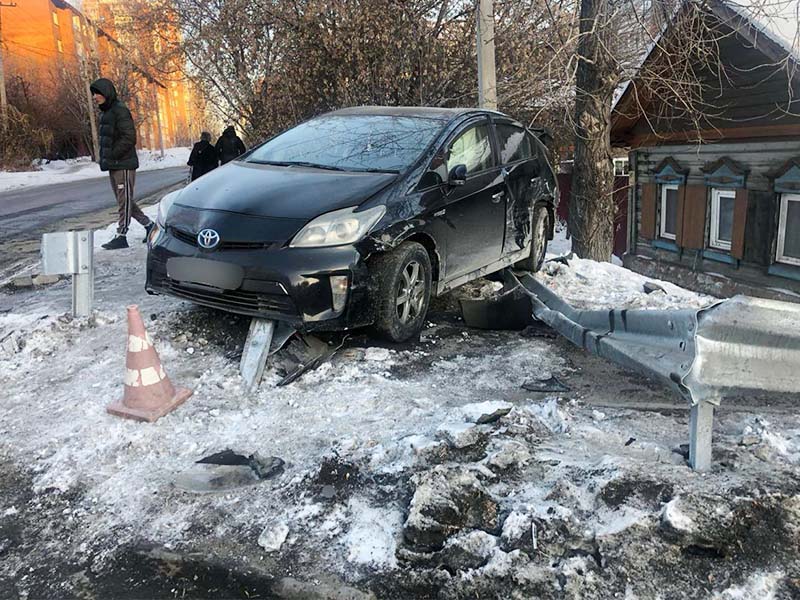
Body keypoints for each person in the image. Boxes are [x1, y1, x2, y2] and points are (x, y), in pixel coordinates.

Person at [89, 78, 154, 250]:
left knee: (124, 200)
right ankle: (149, 226)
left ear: (106, 92)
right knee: (124, 200)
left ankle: (121, 235)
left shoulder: (120, 110)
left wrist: (112, 155)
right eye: (93, 94)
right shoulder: (106, 112)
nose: (94, 97)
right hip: (114, 164)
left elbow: (129, 138)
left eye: (97, 93)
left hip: (123, 163)